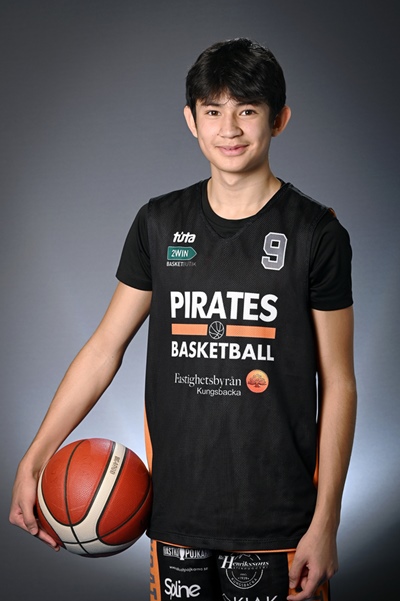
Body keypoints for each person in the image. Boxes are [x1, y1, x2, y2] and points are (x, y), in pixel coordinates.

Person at [9, 38, 357, 601]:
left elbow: (338, 381)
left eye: (248, 110)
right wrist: (35, 457)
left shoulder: (316, 233)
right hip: (175, 519)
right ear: (191, 121)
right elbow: (104, 349)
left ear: (279, 119)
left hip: (281, 524)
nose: (230, 129)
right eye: (213, 111)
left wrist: (326, 522)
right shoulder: (159, 223)